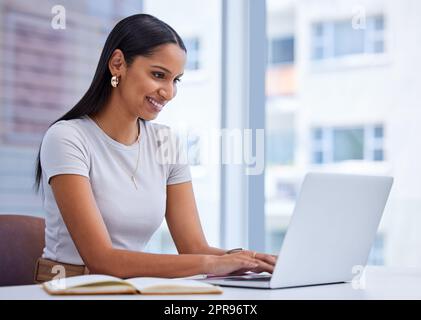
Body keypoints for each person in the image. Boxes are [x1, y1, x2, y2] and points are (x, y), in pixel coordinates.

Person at [34, 13, 276, 281]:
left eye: (176, 80)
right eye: (159, 75)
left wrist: (255, 261)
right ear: (118, 64)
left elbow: (193, 249)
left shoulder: (166, 142)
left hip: (132, 288)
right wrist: (210, 263)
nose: (169, 92)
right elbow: (102, 260)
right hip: (71, 288)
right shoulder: (67, 138)